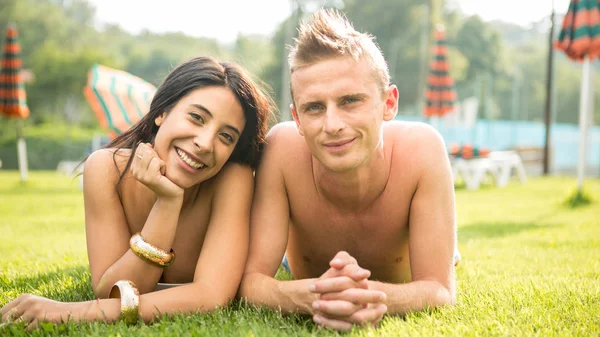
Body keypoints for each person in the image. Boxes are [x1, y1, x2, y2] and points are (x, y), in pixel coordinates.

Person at [1, 56, 274, 330]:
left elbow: (211, 296)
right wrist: (167, 203)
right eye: (196, 118)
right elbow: (111, 291)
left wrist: (72, 312)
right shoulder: (106, 169)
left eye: (226, 136)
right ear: (162, 112)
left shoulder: (232, 178)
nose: (205, 143)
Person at [239, 9, 458, 331]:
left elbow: (440, 290)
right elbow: (250, 283)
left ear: (389, 104)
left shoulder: (422, 149)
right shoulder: (281, 149)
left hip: (414, 250)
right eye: (314, 107)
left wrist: (369, 296)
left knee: (445, 256)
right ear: (296, 118)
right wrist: (315, 296)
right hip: (297, 263)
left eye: (350, 101)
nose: (332, 125)